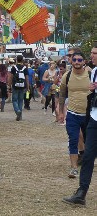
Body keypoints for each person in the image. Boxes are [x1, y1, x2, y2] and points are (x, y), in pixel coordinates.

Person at [63, 44, 97, 206]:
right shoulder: (94, 73)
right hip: (92, 117)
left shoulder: (90, 72)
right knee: (88, 155)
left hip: (90, 117)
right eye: (91, 53)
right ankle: (81, 193)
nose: (92, 56)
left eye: (95, 53)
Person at [58, 52, 91, 178]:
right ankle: (74, 168)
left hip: (88, 115)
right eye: (75, 60)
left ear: (84, 61)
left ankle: (87, 163)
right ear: (71, 61)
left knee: (90, 142)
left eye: (79, 60)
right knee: (73, 140)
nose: (77, 62)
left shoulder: (90, 74)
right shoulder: (67, 76)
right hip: (72, 114)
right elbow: (61, 94)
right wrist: (61, 112)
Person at [9, 55, 29, 121]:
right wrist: (28, 87)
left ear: (16, 60)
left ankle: (17, 111)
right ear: (22, 60)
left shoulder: (14, 67)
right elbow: (27, 78)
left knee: (14, 100)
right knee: (21, 100)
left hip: (15, 85)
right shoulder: (25, 68)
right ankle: (20, 115)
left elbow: (11, 77)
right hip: (22, 86)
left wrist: (9, 85)